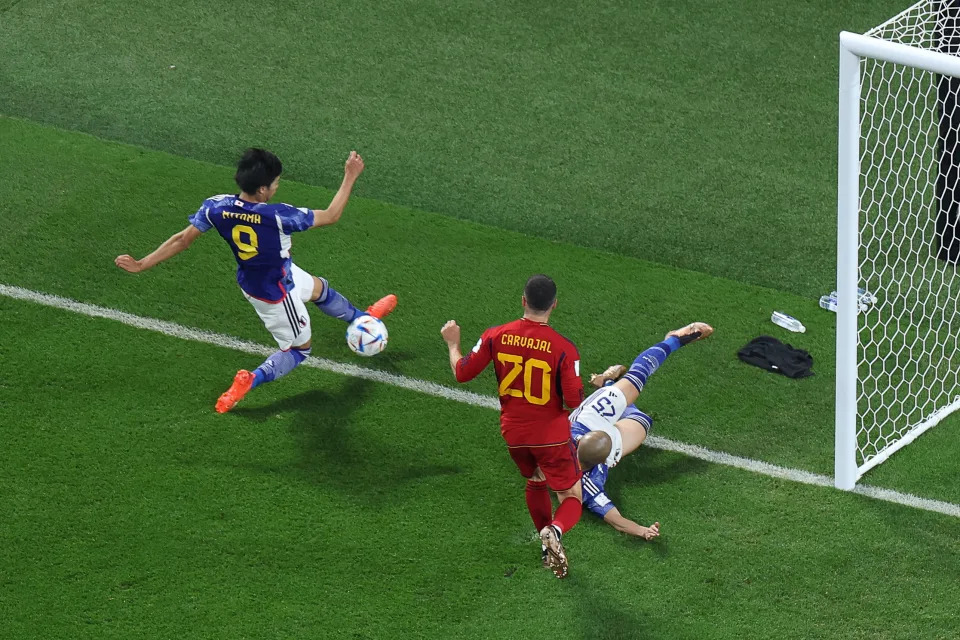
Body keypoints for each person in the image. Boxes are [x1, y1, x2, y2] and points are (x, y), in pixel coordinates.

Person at [115, 148, 396, 412]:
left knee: (319, 288)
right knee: (299, 350)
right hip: (275, 293)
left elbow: (182, 239)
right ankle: (251, 379)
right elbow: (332, 215)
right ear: (262, 189)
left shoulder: (216, 206)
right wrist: (350, 176)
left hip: (269, 274)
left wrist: (142, 264)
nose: (277, 186)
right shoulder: (277, 216)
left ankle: (363, 319)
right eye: (275, 182)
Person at [440, 275, 584, 579]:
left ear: (523, 301)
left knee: (535, 477)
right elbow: (573, 400)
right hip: (551, 436)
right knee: (571, 495)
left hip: (514, 434)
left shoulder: (497, 335)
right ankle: (554, 531)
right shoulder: (564, 349)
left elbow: (462, 373)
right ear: (554, 305)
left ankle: (547, 551)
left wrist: (453, 344)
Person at [571, 322, 714, 541]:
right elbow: (615, 519)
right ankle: (608, 383)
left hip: (587, 420)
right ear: (605, 460)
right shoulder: (587, 485)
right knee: (642, 420)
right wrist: (642, 530)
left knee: (637, 377)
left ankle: (673, 339)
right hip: (589, 424)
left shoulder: (560, 440)